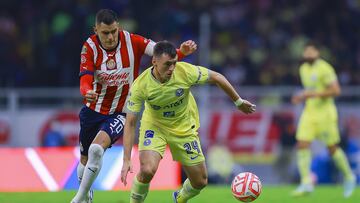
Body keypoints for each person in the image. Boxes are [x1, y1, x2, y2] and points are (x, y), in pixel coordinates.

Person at [71, 9, 197, 203]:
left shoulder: (133, 41)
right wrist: (85, 90)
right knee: (86, 159)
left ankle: (78, 199)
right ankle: (86, 196)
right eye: (105, 33)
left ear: (118, 27)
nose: (111, 37)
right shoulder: (89, 47)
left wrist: (181, 52)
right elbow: (85, 77)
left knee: (97, 150)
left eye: (113, 31)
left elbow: (160, 53)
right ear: (95, 30)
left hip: (120, 111)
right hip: (92, 110)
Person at [120, 41, 256, 203]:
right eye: (167, 64)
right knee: (147, 170)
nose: (171, 68)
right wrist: (127, 159)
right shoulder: (140, 85)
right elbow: (130, 123)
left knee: (200, 182)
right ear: (154, 61)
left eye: (174, 63)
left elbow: (217, 77)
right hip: (155, 127)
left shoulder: (184, 71)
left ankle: (179, 198)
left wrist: (238, 102)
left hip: (184, 129)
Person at [291, 42, 356, 197]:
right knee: (302, 144)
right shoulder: (303, 69)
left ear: (317, 52)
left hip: (325, 114)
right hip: (309, 112)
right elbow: (309, 90)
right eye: (306, 51)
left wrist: (313, 95)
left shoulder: (325, 68)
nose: (308, 54)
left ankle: (349, 176)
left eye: (311, 51)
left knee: (332, 148)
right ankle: (306, 182)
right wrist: (302, 97)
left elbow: (336, 90)